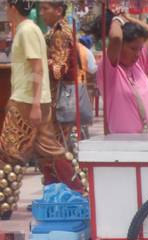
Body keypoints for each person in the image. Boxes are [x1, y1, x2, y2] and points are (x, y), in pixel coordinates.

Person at [0, 0, 84, 220]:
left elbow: (37, 67)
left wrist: (36, 103)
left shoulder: (27, 31)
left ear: (12, 8)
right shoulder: (34, 29)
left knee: (9, 152)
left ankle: (3, 204)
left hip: (26, 100)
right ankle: (79, 190)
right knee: (51, 150)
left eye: (6, 6)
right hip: (36, 99)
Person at [97, 11, 148, 134]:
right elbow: (116, 37)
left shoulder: (138, 63)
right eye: (133, 49)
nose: (138, 54)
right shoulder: (110, 70)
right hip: (124, 142)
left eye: (140, 49)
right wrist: (117, 19)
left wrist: (128, 17)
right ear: (119, 47)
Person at [40, 1, 92, 147]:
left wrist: (40, 61)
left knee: (56, 140)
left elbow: (59, 70)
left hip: (60, 92)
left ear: (58, 11)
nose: (41, 13)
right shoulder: (63, 29)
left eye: (45, 9)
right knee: (61, 139)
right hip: (65, 89)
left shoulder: (60, 33)